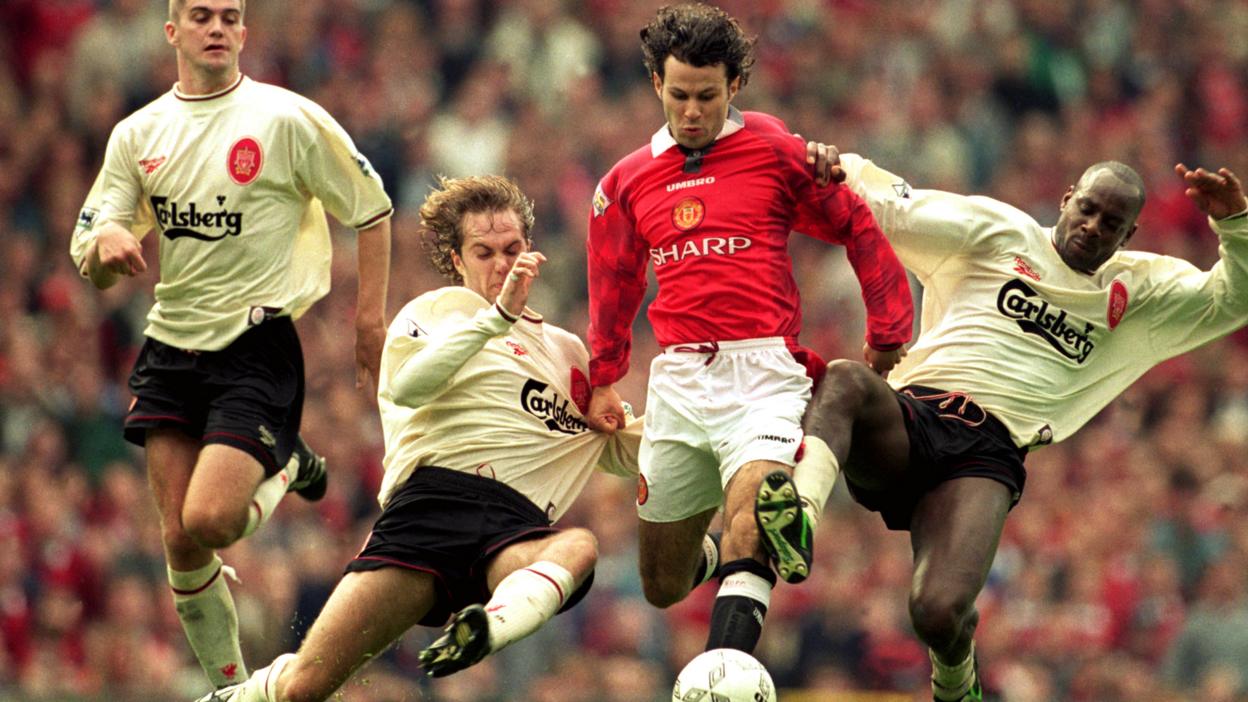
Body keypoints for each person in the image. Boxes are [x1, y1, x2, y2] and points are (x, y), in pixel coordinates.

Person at [786, 151, 1248, 701]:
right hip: (916, 417)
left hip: (988, 454)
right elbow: (888, 205)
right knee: (845, 380)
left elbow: (1231, 299)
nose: (1092, 227)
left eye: (1111, 224)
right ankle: (796, 517)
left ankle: (956, 680)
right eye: (1088, 208)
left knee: (937, 612)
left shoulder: (1140, 290)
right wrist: (811, 156)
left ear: (1129, 235)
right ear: (1067, 197)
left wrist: (1236, 226)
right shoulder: (998, 232)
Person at [194, 174, 643, 702]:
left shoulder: (567, 352)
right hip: (428, 510)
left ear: (531, 251)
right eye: (484, 252)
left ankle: (484, 630)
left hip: (515, 528)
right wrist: (495, 320)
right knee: (303, 689)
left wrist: (714, 442)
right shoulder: (438, 312)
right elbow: (407, 386)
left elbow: (626, 448)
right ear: (457, 260)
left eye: (512, 249)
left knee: (579, 545)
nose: (502, 264)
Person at [67, 0, 393, 689]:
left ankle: (288, 464)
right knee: (180, 539)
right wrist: (106, 243)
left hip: (255, 344)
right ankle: (231, 685)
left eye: (229, 16)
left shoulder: (284, 119)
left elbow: (372, 207)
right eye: (201, 16)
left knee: (211, 519)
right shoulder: (138, 133)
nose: (216, 28)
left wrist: (370, 322)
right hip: (169, 345)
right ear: (173, 31)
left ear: (244, 32)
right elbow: (88, 251)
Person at [584, 3, 914, 655]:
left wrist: (889, 326)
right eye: (678, 95)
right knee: (662, 582)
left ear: (734, 86)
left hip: (764, 373)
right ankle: (733, 555)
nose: (692, 111)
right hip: (678, 381)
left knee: (756, 510)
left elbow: (853, 221)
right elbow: (613, 284)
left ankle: (728, 670)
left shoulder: (774, 149)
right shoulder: (626, 182)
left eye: (708, 95)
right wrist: (602, 379)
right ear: (657, 84)